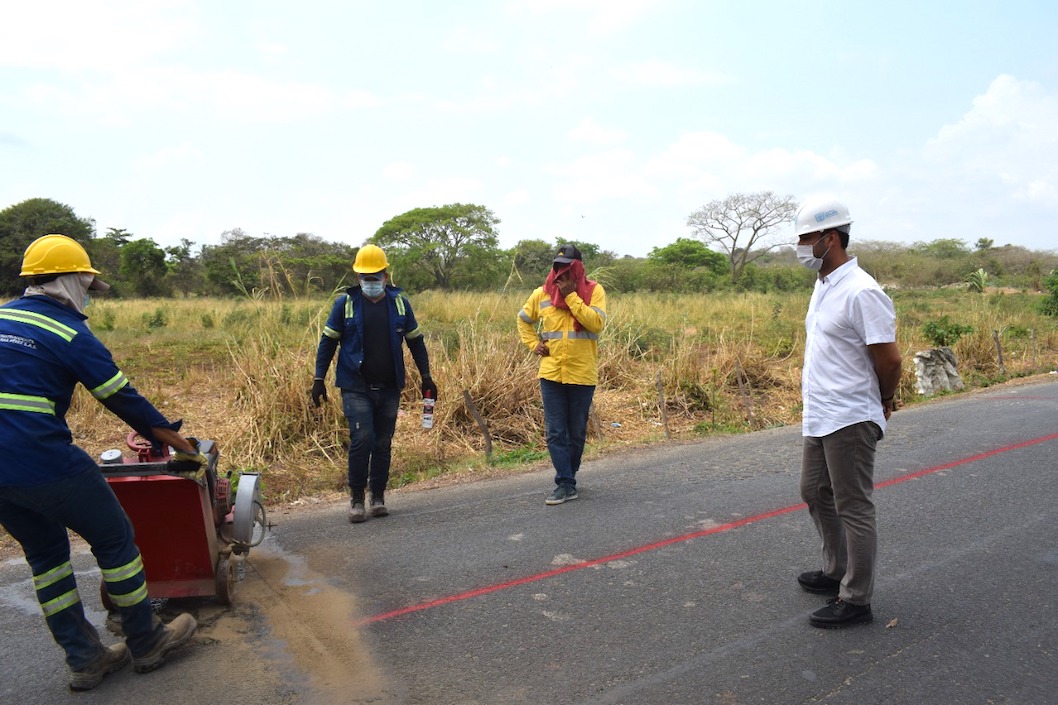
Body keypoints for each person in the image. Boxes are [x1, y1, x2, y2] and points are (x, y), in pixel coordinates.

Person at [0, 234, 203, 690]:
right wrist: (182, 445)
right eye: (88, 286)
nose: (88, 296)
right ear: (73, 279)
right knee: (115, 540)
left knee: (46, 557)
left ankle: (85, 659)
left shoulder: (0, 317)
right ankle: (146, 641)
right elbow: (122, 398)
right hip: (42, 460)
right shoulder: (68, 332)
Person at [793, 197, 903, 628]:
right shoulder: (824, 285)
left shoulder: (862, 291)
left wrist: (886, 399)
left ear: (830, 238)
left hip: (851, 415)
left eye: (804, 238)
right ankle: (834, 570)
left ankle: (857, 599)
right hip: (821, 413)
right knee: (815, 492)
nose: (799, 246)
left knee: (853, 505)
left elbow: (889, 359)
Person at [312, 244, 436, 523]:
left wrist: (426, 376)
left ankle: (377, 497)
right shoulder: (344, 304)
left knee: (382, 442)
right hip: (356, 387)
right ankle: (356, 499)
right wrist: (319, 378)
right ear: (357, 278)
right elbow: (328, 342)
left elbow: (416, 342)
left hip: (390, 386)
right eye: (364, 277)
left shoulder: (400, 303)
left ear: (385, 275)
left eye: (375, 276)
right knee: (362, 439)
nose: (370, 281)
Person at [517, 244, 607, 505]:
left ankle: (569, 476)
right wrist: (534, 344)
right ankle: (565, 482)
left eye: (567, 267)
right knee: (556, 431)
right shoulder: (542, 294)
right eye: (557, 266)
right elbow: (523, 320)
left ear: (577, 268)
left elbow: (596, 324)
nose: (561, 272)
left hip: (582, 373)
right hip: (552, 373)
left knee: (576, 432)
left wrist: (571, 297)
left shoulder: (594, 291)